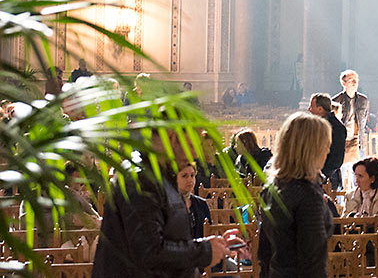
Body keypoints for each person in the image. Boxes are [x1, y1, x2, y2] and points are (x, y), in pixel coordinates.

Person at [93, 128, 236, 278]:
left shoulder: (161, 175)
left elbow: (169, 236)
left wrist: (212, 246)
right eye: (192, 145)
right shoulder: (140, 180)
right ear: (172, 137)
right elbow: (149, 252)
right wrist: (204, 251)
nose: (195, 155)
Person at [258, 112, 335, 278]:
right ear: (311, 149)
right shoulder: (308, 195)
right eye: (325, 144)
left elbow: (264, 252)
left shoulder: (271, 188)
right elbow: (313, 261)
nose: (328, 150)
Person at [307, 92, 348, 190]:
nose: (309, 110)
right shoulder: (316, 124)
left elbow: (336, 159)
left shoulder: (336, 128)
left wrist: (320, 176)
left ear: (320, 109)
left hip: (326, 179)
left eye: (312, 107)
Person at [333, 69, 370, 166]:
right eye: (350, 80)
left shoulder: (363, 100)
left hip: (358, 140)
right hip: (342, 141)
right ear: (344, 83)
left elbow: (364, 119)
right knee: (342, 171)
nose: (354, 83)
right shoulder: (336, 101)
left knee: (359, 172)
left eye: (356, 80)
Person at [176, 162, 211, 239]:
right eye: (184, 176)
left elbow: (209, 232)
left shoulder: (202, 204)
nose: (190, 180)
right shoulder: (169, 204)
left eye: (192, 175)